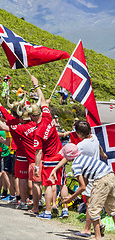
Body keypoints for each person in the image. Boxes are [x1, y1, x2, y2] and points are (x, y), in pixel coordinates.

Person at [50, 143, 114, 240]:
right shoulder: (83, 158)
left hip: (102, 180)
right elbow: (86, 182)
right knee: (112, 209)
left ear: (68, 156)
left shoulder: (75, 165)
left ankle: (98, 237)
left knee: (93, 209)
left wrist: (71, 198)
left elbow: (82, 187)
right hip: (111, 175)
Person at [29, 75, 69, 219]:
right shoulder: (47, 115)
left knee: (49, 185)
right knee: (61, 183)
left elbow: (38, 152)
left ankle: (46, 212)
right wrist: (36, 85)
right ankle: (65, 209)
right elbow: (43, 100)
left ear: (33, 116)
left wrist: (37, 167)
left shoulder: (38, 132)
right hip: (60, 154)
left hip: (50, 158)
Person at [70, 121, 107, 238]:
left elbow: (68, 157)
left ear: (80, 133)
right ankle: (99, 224)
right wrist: (103, 154)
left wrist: (56, 168)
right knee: (92, 202)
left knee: (89, 203)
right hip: (98, 172)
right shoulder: (94, 137)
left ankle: (87, 229)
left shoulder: (81, 145)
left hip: (89, 174)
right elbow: (100, 147)